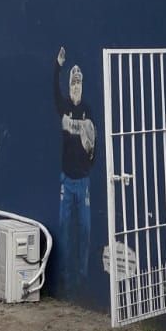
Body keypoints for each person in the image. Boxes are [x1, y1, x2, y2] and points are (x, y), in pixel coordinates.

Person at [54, 45, 97, 293]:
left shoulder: (87, 110)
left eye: (79, 84)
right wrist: (57, 66)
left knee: (85, 228)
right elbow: (53, 92)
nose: (76, 87)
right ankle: (66, 273)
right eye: (73, 83)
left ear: (83, 86)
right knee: (64, 226)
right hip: (66, 180)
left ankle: (81, 274)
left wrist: (90, 160)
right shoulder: (64, 107)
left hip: (83, 181)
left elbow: (94, 141)